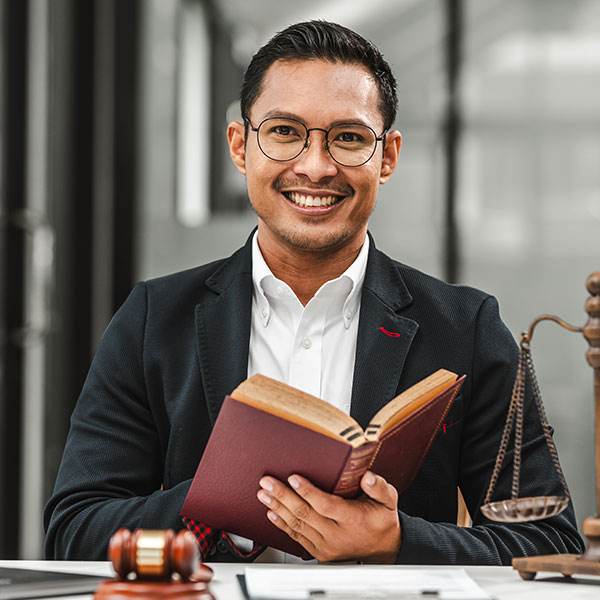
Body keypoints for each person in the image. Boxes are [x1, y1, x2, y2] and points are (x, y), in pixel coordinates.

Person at [44, 20, 583, 564]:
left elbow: (549, 542)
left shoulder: (465, 327)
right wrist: (223, 505)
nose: (315, 166)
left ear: (388, 156)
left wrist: (397, 542)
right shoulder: (153, 320)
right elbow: (75, 531)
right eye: (284, 132)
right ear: (240, 145)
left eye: (348, 138)